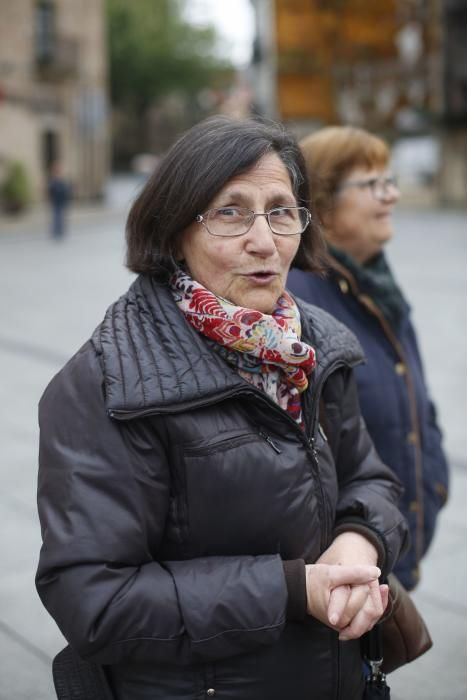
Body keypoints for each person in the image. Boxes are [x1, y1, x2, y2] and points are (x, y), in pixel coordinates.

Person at [36, 117, 408, 700]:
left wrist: (361, 539)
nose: (264, 241)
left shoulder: (315, 346)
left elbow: (371, 478)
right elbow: (93, 602)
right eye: (229, 212)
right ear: (175, 228)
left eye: (281, 210)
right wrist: (292, 590)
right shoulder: (106, 382)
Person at [287, 125, 448, 592]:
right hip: (346, 565)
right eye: (373, 184)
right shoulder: (298, 300)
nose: (392, 195)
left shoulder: (378, 287)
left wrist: (433, 483)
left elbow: (417, 398)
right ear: (323, 199)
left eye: (390, 181)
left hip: (391, 542)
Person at [47, 160, 71, 239]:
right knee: (56, 216)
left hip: (62, 200)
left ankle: (60, 231)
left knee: (61, 216)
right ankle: (56, 231)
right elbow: (50, 190)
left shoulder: (62, 179)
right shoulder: (53, 180)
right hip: (55, 201)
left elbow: (66, 189)